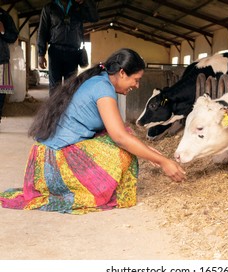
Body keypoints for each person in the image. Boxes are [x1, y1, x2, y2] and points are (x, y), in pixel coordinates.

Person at [0, 48, 186, 214]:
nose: (136, 86)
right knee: (122, 153)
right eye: (136, 80)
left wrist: (151, 153)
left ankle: (93, 185)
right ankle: (91, 190)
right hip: (54, 164)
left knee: (126, 135)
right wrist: (162, 161)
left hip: (49, 156)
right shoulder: (102, 89)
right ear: (122, 73)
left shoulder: (100, 81)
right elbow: (120, 137)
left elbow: (121, 130)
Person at [37, 0, 99, 96]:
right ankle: (54, 111)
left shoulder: (78, 7)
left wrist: (86, 1)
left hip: (73, 53)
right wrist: (41, 54)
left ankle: (68, 110)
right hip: (55, 52)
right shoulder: (49, 8)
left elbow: (94, 18)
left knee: (70, 86)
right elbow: (42, 30)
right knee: (54, 87)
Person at [0, 7, 19, 123]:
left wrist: (2, 31)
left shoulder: (4, 15)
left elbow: (13, 37)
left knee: (1, 92)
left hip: (2, 59)